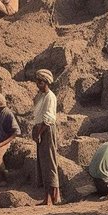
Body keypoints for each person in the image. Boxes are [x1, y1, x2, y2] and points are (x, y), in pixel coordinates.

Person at [32, 69, 60, 205]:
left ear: (47, 82)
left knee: (49, 163)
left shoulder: (50, 97)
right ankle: (49, 197)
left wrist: (39, 132)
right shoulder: (40, 96)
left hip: (47, 130)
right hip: (40, 130)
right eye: (37, 81)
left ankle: (52, 197)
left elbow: (48, 119)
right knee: (43, 164)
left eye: (40, 82)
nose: (38, 84)